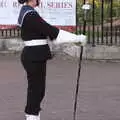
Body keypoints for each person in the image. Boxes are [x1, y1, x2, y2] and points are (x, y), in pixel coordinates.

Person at [17, 0, 87, 120]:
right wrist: (77, 38)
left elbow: (46, 33)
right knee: (37, 89)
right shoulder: (30, 14)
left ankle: (32, 114)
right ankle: (32, 116)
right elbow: (53, 32)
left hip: (34, 55)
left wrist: (73, 39)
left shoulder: (28, 12)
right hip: (34, 56)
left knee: (36, 88)